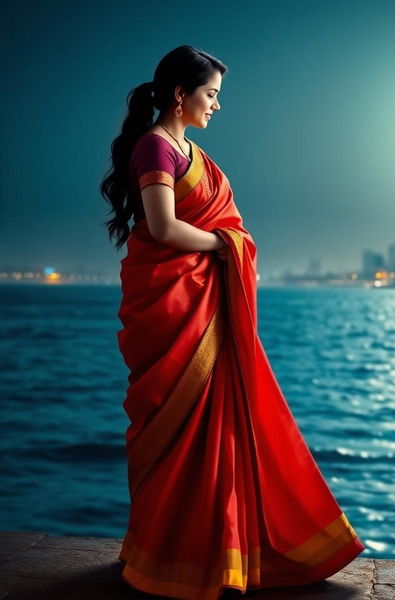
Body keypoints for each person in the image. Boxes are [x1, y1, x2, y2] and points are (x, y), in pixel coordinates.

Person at [99, 45, 365, 600]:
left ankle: (216, 551)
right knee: (178, 431)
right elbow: (164, 229)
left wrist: (225, 246)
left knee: (214, 430)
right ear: (180, 94)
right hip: (173, 308)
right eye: (212, 94)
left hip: (203, 305)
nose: (218, 106)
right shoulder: (156, 146)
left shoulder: (189, 151)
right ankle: (166, 554)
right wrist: (226, 244)